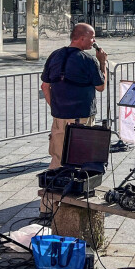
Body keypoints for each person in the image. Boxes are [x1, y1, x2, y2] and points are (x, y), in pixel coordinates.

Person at [40, 23, 108, 169]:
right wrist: (102, 63)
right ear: (82, 38)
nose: (94, 41)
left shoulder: (55, 55)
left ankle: (55, 186)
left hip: (60, 116)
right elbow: (101, 86)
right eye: (92, 38)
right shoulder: (88, 60)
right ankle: (77, 187)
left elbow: (45, 86)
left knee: (58, 157)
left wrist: (55, 106)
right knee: (81, 157)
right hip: (81, 115)